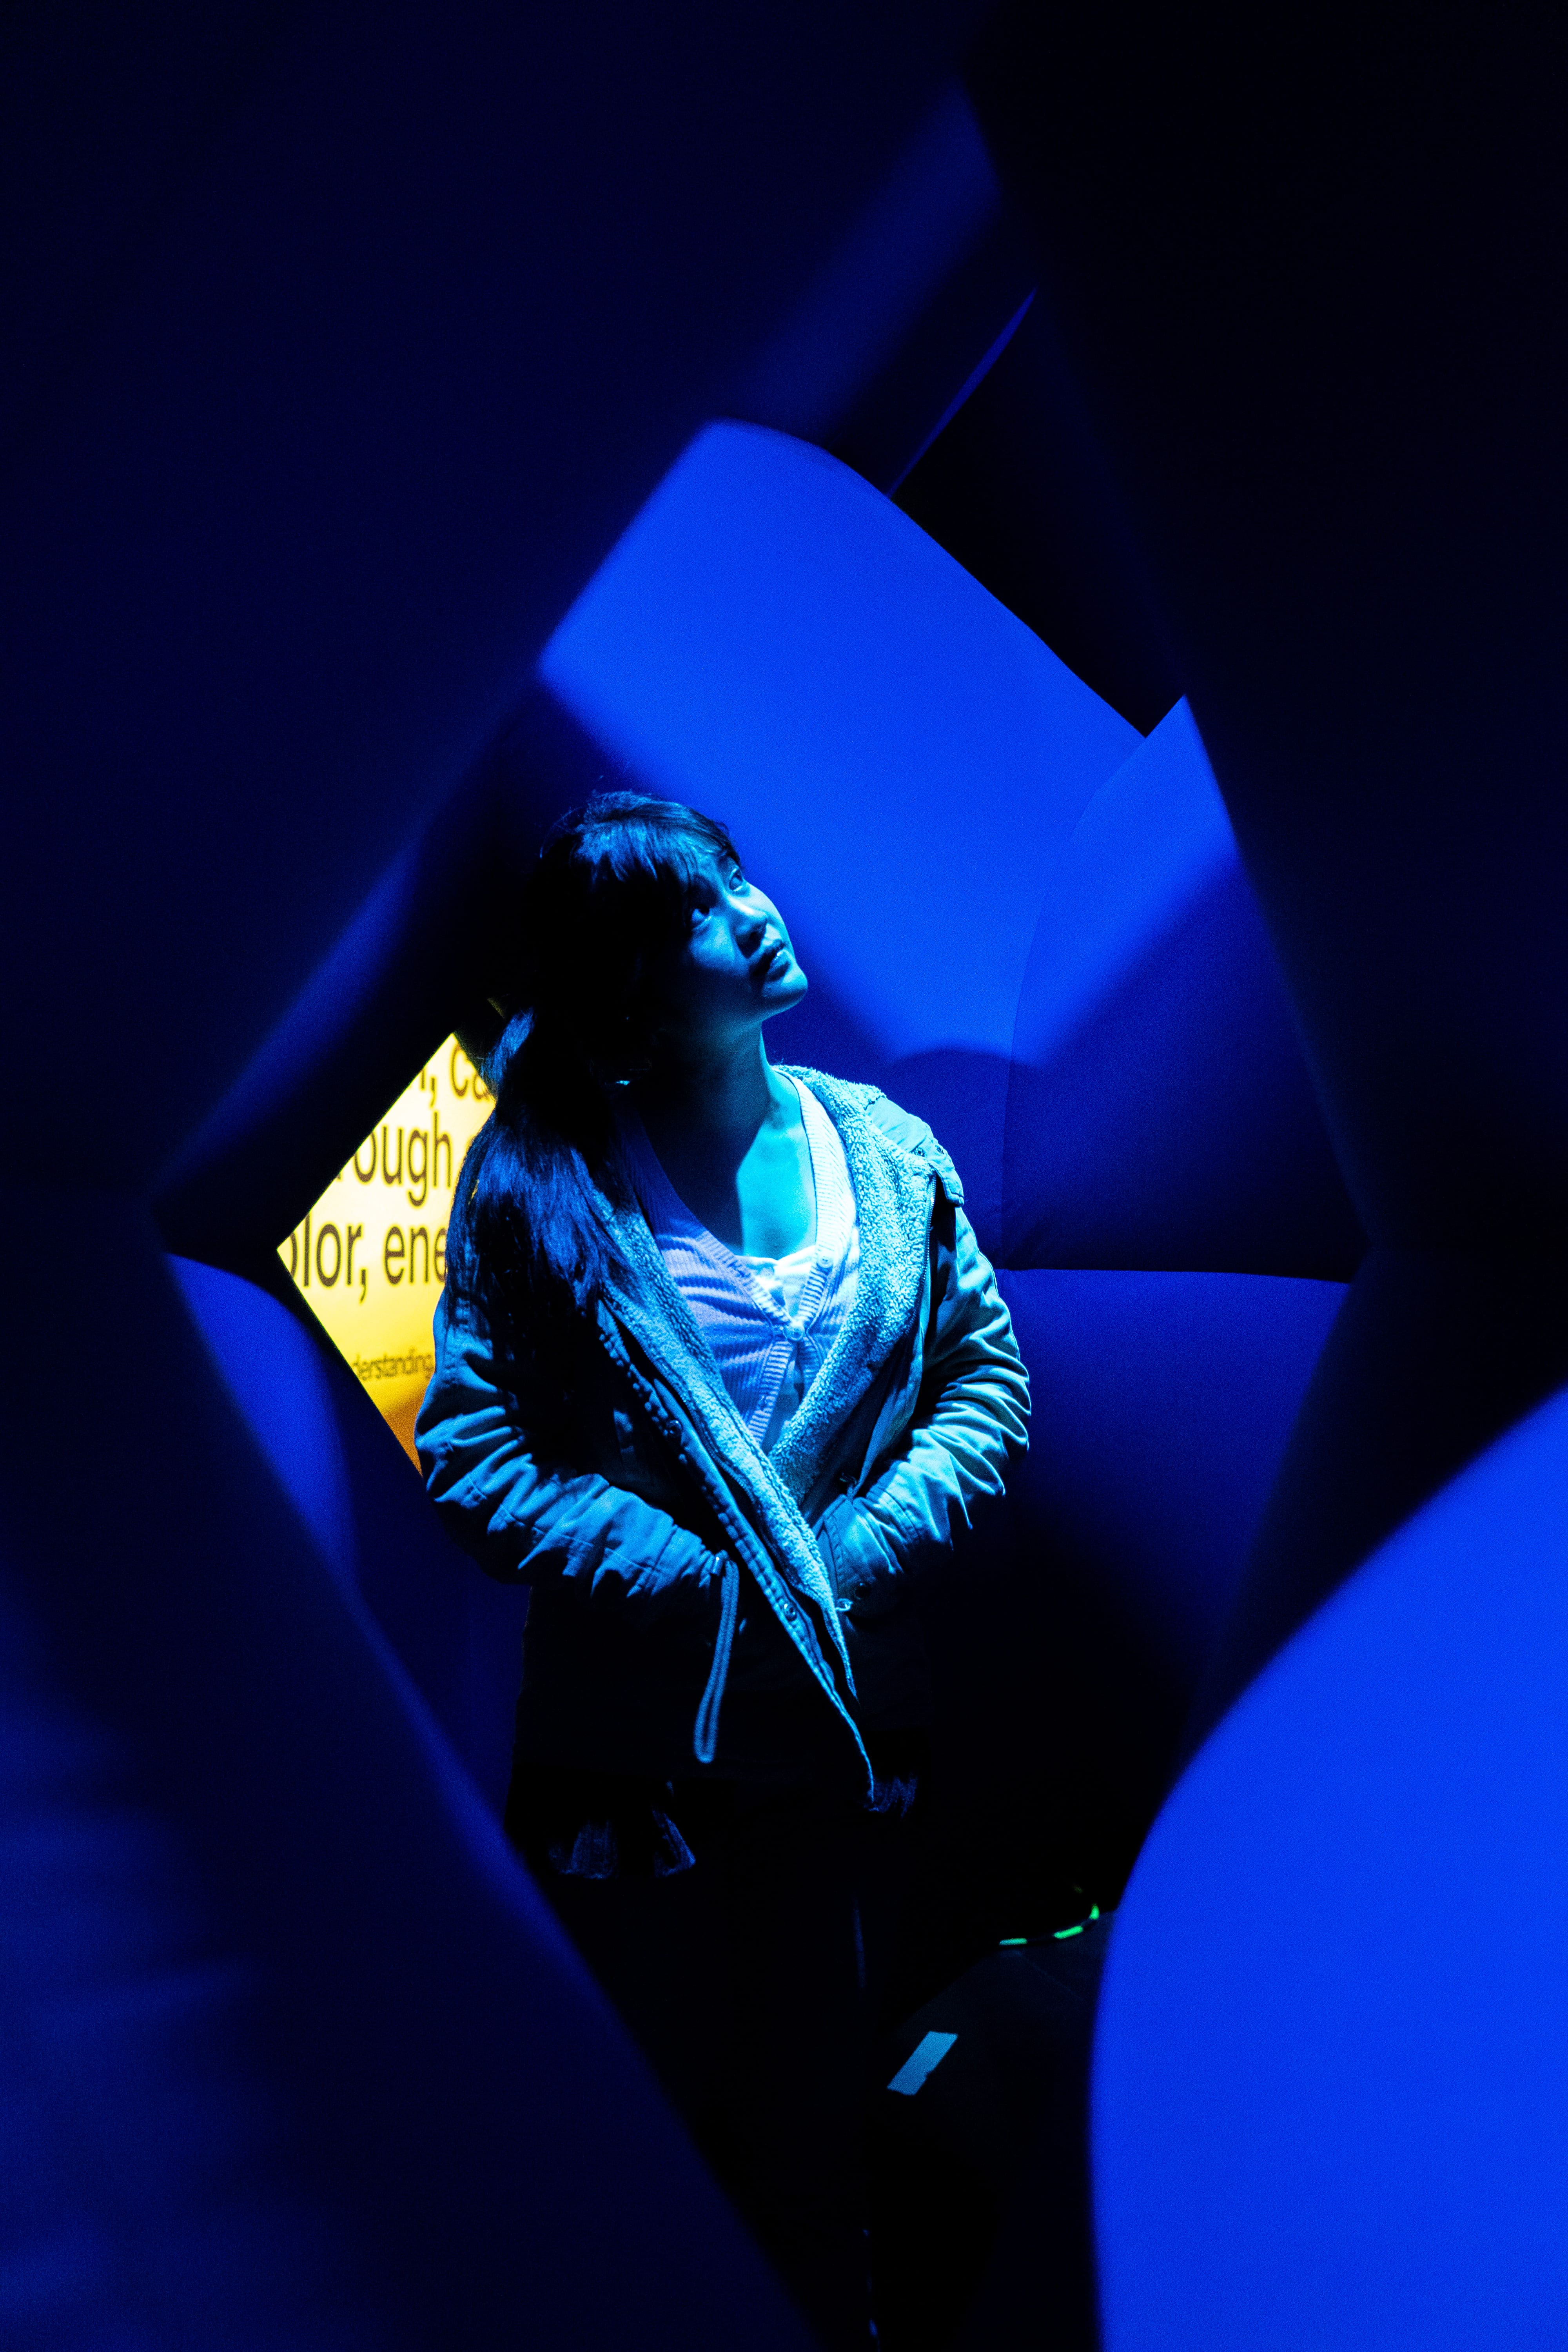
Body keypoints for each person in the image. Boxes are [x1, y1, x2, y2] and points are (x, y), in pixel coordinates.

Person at [416, 791, 1029, 2348]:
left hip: (845, 1746)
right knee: (624, 2143)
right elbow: (475, 1456)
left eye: (738, 876)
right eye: (695, 907)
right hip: (631, 1771)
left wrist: (852, 1552)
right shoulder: (546, 1181)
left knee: (817, 2162)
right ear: (629, 978)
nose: (748, 911)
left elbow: (985, 1389)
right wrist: (705, 1581)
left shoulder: (888, 1155)